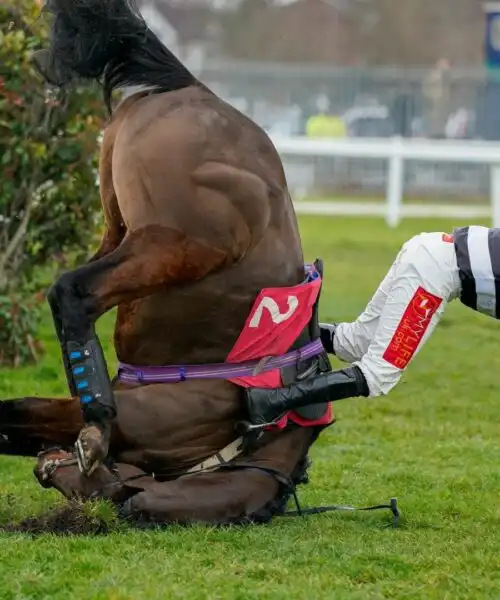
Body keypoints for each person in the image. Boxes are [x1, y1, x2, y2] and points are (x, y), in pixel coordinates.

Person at [245, 226, 499, 426]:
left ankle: (258, 334)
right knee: (379, 375)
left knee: (353, 343)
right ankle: (267, 401)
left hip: (428, 250)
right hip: (438, 272)